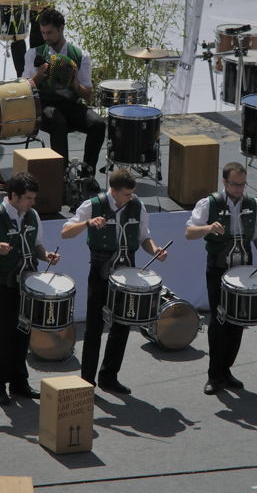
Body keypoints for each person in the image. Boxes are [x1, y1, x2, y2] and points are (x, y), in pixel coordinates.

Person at [61, 168, 168, 394]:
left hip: (127, 272)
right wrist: (88, 224)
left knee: (122, 325)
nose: (131, 198)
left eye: (132, 194)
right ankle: (87, 381)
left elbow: (144, 237)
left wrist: (155, 250)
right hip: (100, 272)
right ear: (114, 191)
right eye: (127, 194)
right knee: (94, 328)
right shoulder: (93, 205)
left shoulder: (136, 205)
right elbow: (66, 232)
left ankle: (109, 376)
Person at [185, 161, 257, 395]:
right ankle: (213, 375)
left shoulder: (253, 204)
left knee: (238, 321)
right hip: (218, 269)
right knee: (219, 321)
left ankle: (226, 370)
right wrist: (207, 228)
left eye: (242, 184)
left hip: (244, 270)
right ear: (224, 182)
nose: (239, 189)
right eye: (235, 184)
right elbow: (189, 233)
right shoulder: (210, 203)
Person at [0, 173, 58, 406]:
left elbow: (37, 245)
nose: (32, 203)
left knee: (23, 333)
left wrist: (46, 254)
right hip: (4, 285)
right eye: (28, 198)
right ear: (14, 196)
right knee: (2, 337)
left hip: (28, 284)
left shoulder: (32, 215)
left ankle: (19, 382)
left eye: (33, 198)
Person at [23, 8, 105, 170]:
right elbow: (24, 90)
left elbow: (88, 95)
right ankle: (62, 174)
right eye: (43, 33)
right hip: (46, 107)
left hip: (71, 105)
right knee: (57, 121)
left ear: (61, 29)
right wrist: (39, 76)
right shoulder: (34, 54)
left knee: (98, 124)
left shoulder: (81, 55)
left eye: (50, 33)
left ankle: (88, 173)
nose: (45, 37)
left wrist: (74, 82)